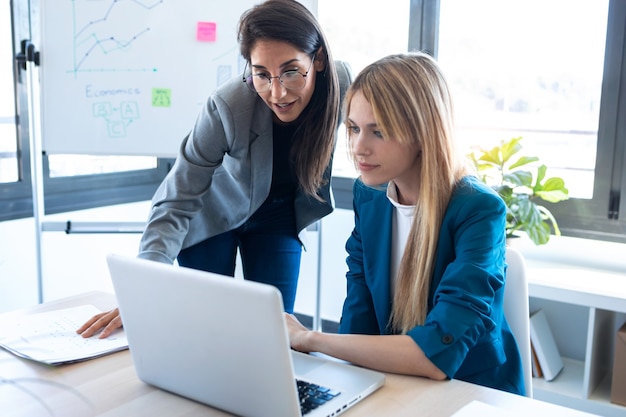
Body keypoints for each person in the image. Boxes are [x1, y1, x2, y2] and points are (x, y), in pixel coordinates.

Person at [78, 0, 352, 338]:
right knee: (207, 328)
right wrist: (143, 285)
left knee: (276, 330)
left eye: (291, 71)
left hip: (279, 216)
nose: (277, 92)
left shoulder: (342, 86)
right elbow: (178, 194)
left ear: (319, 59)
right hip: (213, 214)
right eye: (261, 74)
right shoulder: (230, 104)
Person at [285, 52, 526, 396]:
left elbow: (437, 355)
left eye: (378, 131)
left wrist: (309, 338)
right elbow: (360, 315)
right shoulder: (368, 197)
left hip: (472, 394)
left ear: (421, 132)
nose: (358, 147)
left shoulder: (478, 210)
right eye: (353, 128)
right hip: (395, 384)